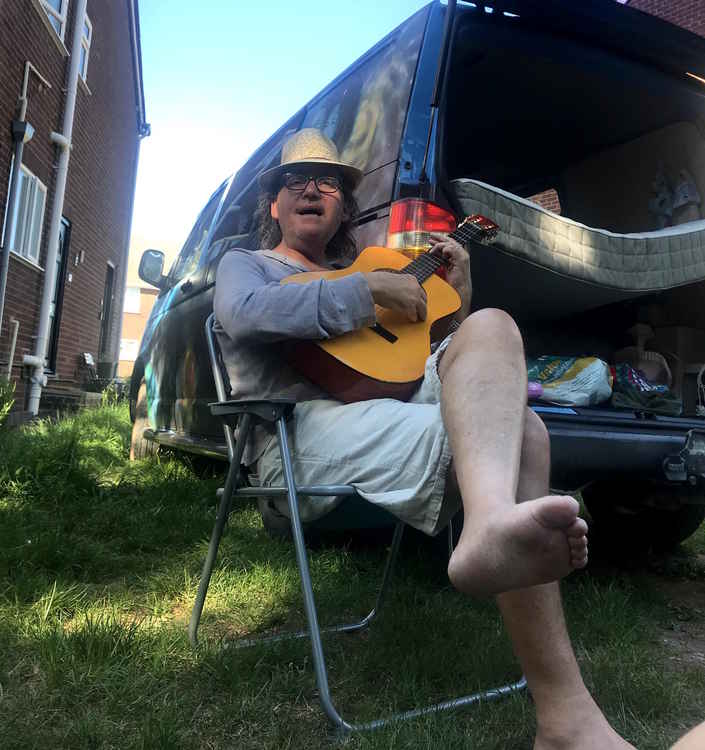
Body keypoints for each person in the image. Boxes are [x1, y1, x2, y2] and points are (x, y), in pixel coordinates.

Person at [214, 128, 635, 749]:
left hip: (387, 405)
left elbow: (431, 357)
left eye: (328, 182)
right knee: (521, 434)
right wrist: (364, 292)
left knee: (497, 341)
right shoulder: (247, 264)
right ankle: (566, 716)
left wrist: (459, 297)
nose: (312, 188)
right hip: (295, 431)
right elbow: (244, 313)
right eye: (295, 181)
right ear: (272, 204)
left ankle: (487, 528)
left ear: (342, 209)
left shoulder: (370, 265)